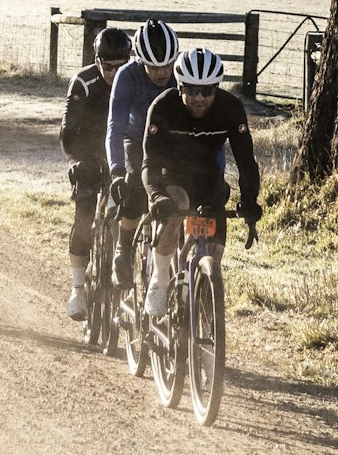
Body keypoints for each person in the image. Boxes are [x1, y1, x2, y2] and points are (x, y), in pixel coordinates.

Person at [140, 46, 263, 315]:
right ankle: (160, 281)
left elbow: (246, 161)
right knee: (176, 208)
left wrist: (250, 199)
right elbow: (149, 163)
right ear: (180, 86)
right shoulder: (162, 107)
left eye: (207, 90)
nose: (199, 98)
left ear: (216, 88)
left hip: (208, 179)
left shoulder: (231, 108)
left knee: (215, 250)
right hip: (170, 176)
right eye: (192, 89)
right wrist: (156, 196)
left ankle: (203, 304)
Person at [59, 24, 133, 317]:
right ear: (97, 61)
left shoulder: (134, 80)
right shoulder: (83, 81)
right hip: (88, 153)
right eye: (108, 66)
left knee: (128, 215)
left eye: (121, 66)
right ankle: (77, 289)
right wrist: (75, 160)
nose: (114, 73)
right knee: (84, 215)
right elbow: (67, 132)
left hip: (122, 155)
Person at [105, 18, 178, 287]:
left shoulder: (181, 75)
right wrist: (116, 171)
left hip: (169, 143)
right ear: (139, 61)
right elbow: (115, 125)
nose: (161, 73)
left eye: (166, 65)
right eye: (152, 66)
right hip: (134, 139)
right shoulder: (126, 75)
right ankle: (123, 249)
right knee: (134, 182)